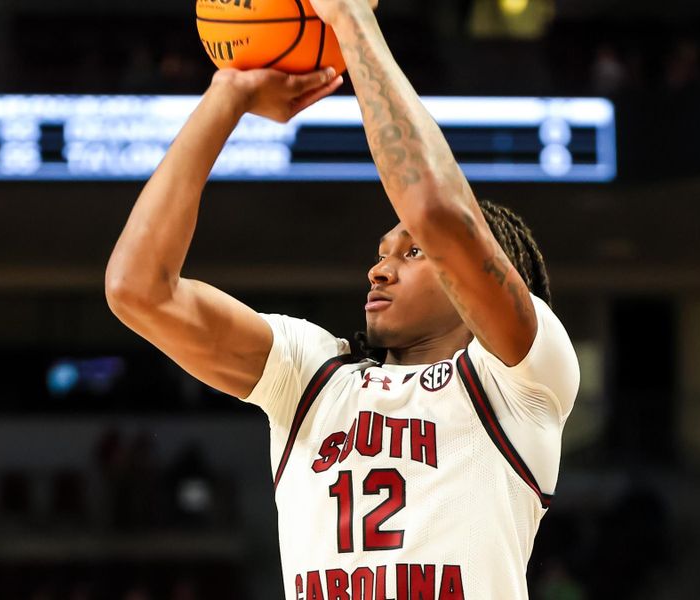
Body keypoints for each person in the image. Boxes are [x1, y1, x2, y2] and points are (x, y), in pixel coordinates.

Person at [105, 0, 579, 597]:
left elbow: (436, 211)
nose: (379, 270)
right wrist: (227, 96)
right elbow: (137, 290)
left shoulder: (525, 378)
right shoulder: (311, 375)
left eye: (411, 253)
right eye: (382, 252)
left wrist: (351, 19)